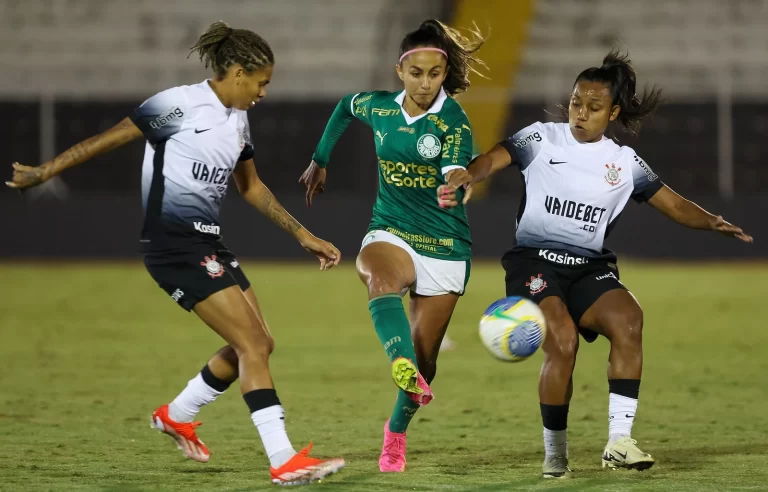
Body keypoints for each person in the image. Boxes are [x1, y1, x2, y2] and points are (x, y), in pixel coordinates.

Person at [6, 21, 346, 486]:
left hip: (208, 242)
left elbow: (251, 187)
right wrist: (46, 170)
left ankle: (176, 414)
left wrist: (302, 235)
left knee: (259, 344)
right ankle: (283, 458)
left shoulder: (239, 118)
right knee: (251, 346)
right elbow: (110, 137)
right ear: (239, 72)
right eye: (262, 82)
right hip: (173, 244)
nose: (265, 91)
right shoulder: (178, 104)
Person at [438, 49, 752, 479]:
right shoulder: (543, 138)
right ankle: (556, 455)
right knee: (562, 342)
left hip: (588, 267)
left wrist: (712, 222)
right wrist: (469, 175)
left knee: (629, 319)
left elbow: (674, 204)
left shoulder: (624, 163)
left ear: (613, 112)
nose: (580, 113)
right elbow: (494, 157)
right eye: (575, 103)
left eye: (593, 107)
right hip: (535, 263)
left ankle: (618, 442)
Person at [299, 19, 485, 472]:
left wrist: (458, 183)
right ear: (400, 71)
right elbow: (345, 106)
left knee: (428, 359)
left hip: (444, 241)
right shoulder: (379, 108)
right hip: (392, 228)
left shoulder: (453, 121)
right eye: (416, 72)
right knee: (377, 273)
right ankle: (400, 363)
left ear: (444, 75)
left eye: (434, 74)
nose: (425, 83)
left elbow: (456, 169)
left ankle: (396, 431)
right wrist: (320, 160)